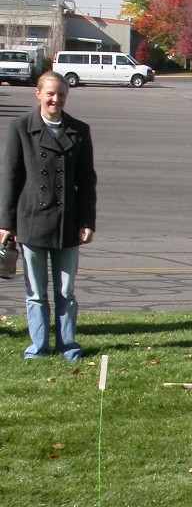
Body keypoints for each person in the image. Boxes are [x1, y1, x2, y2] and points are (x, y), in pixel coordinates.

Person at [0, 70, 97, 360]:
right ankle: (37, 347)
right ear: (39, 94)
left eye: (62, 94)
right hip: (31, 221)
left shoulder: (80, 130)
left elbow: (87, 181)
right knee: (35, 292)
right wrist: (6, 224)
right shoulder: (20, 127)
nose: (56, 99)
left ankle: (68, 345)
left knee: (66, 292)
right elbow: (11, 178)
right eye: (51, 93)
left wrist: (87, 222)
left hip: (67, 223)